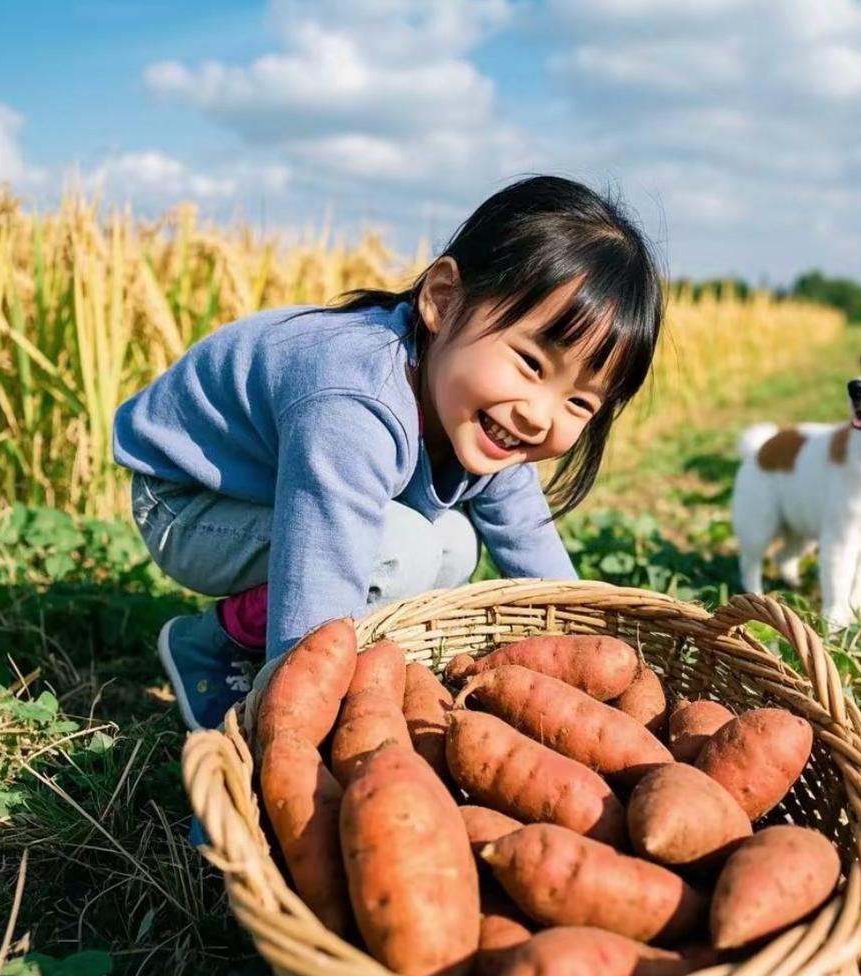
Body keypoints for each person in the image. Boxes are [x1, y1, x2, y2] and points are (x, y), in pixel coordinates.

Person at [113, 175, 664, 731]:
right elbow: (320, 574)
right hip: (189, 502)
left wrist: (598, 664)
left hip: (278, 497)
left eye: (579, 401)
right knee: (399, 550)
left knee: (452, 545)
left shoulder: (492, 413)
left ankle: (252, 641)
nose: (539, 414)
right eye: (531, 363)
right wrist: (297, 731)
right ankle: (216, 646)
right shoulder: (353, 401)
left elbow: (536, 555)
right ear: (444, 302)